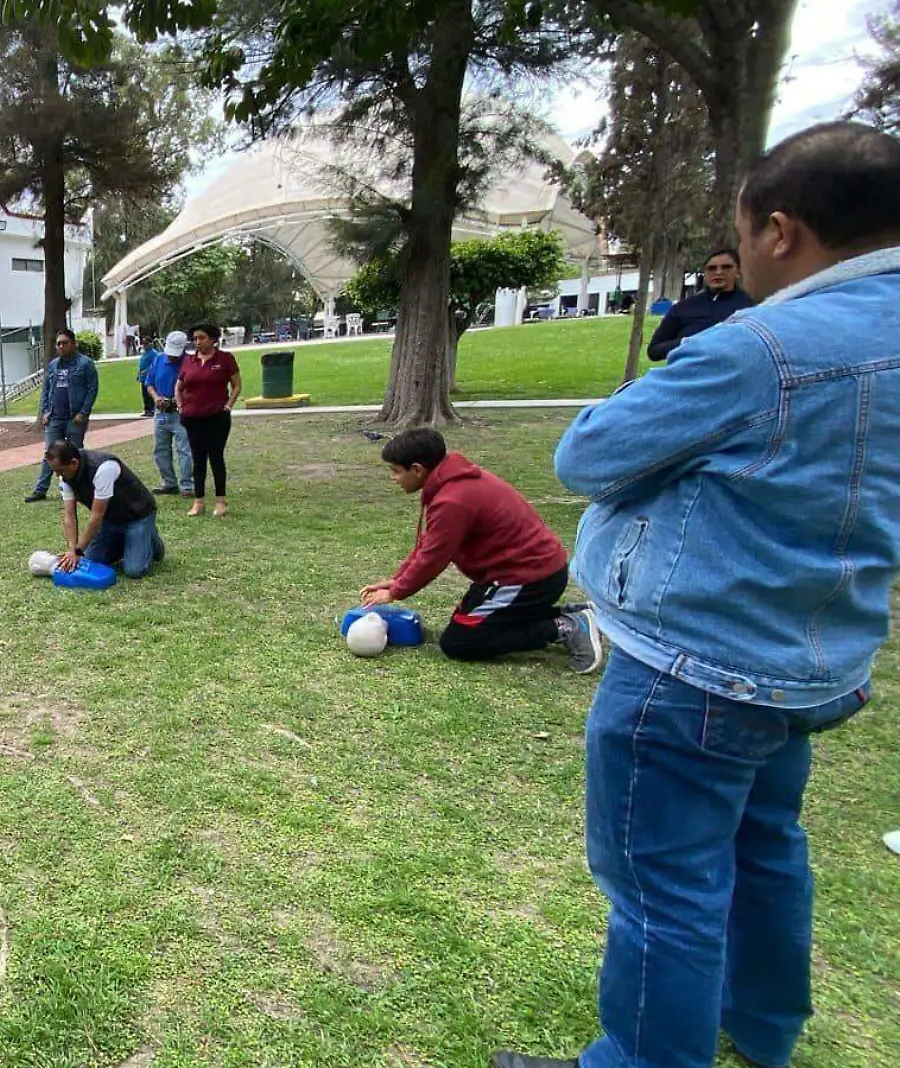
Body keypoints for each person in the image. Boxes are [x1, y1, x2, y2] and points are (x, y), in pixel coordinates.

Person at [493, 122, 900, 1068]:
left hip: (695, 667)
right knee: (766, 847)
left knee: (663, 886)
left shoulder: (764, 344)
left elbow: (589, 453)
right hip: (817, 660)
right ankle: (760, 1030)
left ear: (782, 231)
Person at [359, 428, 603, 672]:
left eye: (395, 471)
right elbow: (428, 544)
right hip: (529, 574)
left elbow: (433, 558)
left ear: (417, 469)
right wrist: (396, 581)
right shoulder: (451, 481)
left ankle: (567, 626)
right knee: (473, 624)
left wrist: (397, 592)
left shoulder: (452, 500)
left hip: (526, 579)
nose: (393, 478)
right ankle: (574, 613)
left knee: (461, 642)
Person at [46, 440, 163, 578]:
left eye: (60, 471)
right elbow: (69, 515)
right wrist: (72, 548)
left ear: (73, 463)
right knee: (90, 561)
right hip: (111, 519)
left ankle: (152, 542)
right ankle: (131, 541)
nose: (57, 476)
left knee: (135, 571)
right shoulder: (65, 477)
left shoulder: (103, 468)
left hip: (137, 515)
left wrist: (78, 551)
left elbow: (97, 516)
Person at [175, 324, 242, 518]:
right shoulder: (189, 360)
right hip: (193, 417)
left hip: (216, 418)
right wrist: (181, 407)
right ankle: (199, 501)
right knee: (198, 460)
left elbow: (237, 385)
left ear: (213, 339)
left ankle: (220, 501)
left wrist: (228, 405)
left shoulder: (225, 359)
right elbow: (178, 387)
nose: (197, 342)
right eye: (195, 338)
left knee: (216, 458)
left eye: (201, 338)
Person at [24, 329, 98, 503]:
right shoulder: (54, 365)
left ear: (74, 343)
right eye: (58, 344)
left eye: (64, 343)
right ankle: (40, 490)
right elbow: (46, 389)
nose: (61, 346)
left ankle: (77, 489)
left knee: (75, 454)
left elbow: (92, 389)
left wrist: (83, 413)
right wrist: (45, 412)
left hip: (75, 418)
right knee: (50, 454)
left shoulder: (85, 364)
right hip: (55, 417)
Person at [646, 247, 755, 362]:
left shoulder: (751, 307)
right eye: (712, 268)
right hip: (687, 375)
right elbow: (654, 351)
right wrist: (687, 343)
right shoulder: (684, 308)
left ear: (738, 271)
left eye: (726, 267)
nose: (718, 272)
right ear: (705, 273)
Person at [146, 330, 193, 498]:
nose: (172, 357)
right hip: (161, 412)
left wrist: (175, 400)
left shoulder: (190, 362)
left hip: (181, 412)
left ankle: (187, 485)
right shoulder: (159, 359)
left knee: (184, 450)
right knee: (160, 449)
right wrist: (157, 398)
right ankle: (169, 482)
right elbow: (149, 383)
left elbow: (194, 389)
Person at [135, 334, 163, 418]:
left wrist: (146, 371)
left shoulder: (154, 353)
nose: (145, 345)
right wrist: (139, 373)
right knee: (144, 394)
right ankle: (147, 409)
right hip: (143, 377)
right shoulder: (144, 353)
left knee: (149, 394)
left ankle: (151, 409)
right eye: (144, 344)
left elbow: (155, 365)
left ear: (151, 344)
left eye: (146, 344)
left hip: (150, 377)